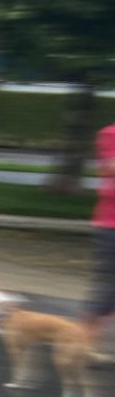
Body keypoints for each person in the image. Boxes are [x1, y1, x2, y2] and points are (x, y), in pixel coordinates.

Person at [85, 121, 115, 355]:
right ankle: (83, 343)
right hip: (111, 224)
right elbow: (111, 167)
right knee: (108, 288)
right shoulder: (110, 134)